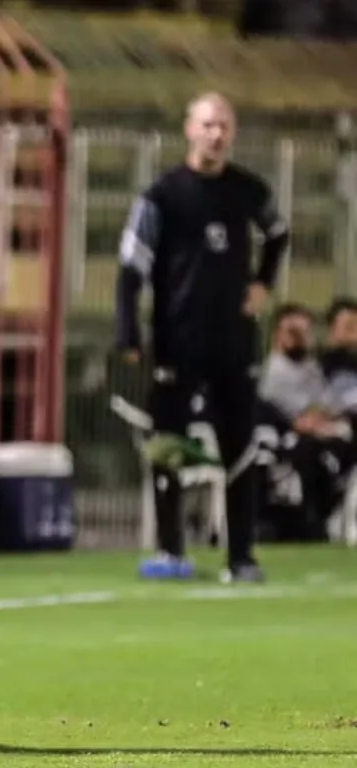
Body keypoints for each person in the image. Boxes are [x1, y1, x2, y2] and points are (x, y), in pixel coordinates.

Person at [116, 92, 290, 583]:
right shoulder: (163, 196)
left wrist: (263, 284)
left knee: (241, 443)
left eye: (224, 126)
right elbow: (131, 268)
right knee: (167, 443)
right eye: (208, 125)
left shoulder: (248, 190)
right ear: (190, 130)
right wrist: (128, 330)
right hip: (177, 340)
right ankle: (171, 550)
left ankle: (242, 556)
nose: (216, 134)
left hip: (234, 341)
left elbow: (278, 233)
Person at [257, 304, 350, 541]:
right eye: (293, 332)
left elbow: (329, 406)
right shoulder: (275, 371)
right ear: (278, 334)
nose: (300, 339)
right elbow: (298, 419)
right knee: (312, 454)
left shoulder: (310, 368)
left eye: (304, 332)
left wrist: (325, 419)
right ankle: (313, 526)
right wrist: (318, 420)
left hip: (327, 435)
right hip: (291, 444)